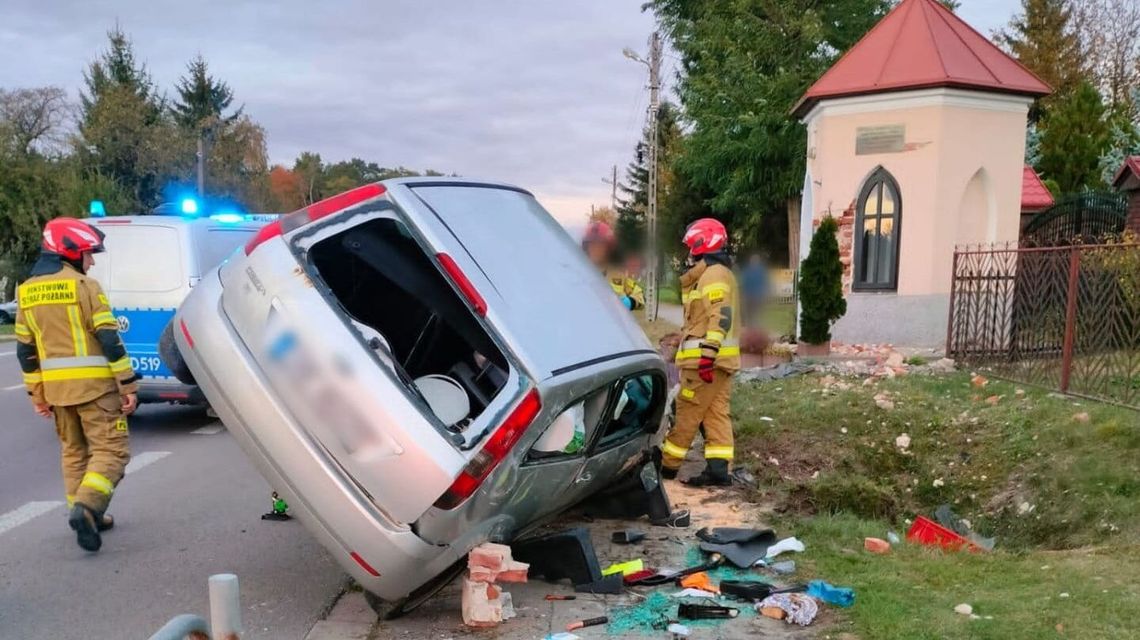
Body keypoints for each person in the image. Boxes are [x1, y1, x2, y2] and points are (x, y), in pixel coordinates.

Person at [15, 217, 139, 552]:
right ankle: (87, 508)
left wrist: (36, 394)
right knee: (111, 451)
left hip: (57, 394)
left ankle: (86, 515)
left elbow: (25, 351)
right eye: (88, 254)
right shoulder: (85, 287)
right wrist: (127, 384)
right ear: (70, 253)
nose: (92, 261)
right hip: (95, 390)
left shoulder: (25, 292)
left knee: (73, 453)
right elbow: (110, 340)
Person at [660, 218, 739, 487]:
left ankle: (666, 469)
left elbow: (721, 315)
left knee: (685, 413)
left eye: (691, 246)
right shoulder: (714, 274)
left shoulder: (713, 275)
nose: (689, 252)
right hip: (720, 362)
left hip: (705, 363)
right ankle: (718, 470)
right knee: (715, 414)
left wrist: (707, 354)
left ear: (702, 243)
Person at [581, 221, 644, 310]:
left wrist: (630, 302)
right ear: (586, 247)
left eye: (600, 245)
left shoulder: (618, 275)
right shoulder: (579, 273)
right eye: (592, 245)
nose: (596, 249)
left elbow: (640, 295)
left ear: (608, 248)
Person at [740, 252, 770, 329]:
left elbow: (765, 282)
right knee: (749, 312)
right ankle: (751, 326)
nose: (754, 261)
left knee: (757, 312)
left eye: (756, 260)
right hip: (749, 294)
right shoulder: (747, 270)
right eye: (753, 260)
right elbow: (744, 282)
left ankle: (756, 326)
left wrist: (766, 292)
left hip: (758, 295)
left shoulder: (762, 271)